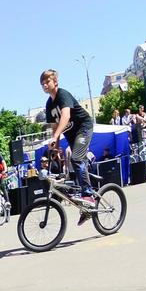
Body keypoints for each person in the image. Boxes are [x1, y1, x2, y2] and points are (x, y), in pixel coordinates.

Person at [40, 69, 97, 205]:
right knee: (77, 161)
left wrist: (55, 137)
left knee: (76, 158)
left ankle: (88, 194)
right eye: (42, 83)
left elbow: (66, 116)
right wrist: (56, 148)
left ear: (55, 81)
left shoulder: (63, 95)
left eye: (47, 81)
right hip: (71, 133)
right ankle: (86, 209)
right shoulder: (49, 105)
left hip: (83, 127)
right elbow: (55, 128)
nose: (45, 85)